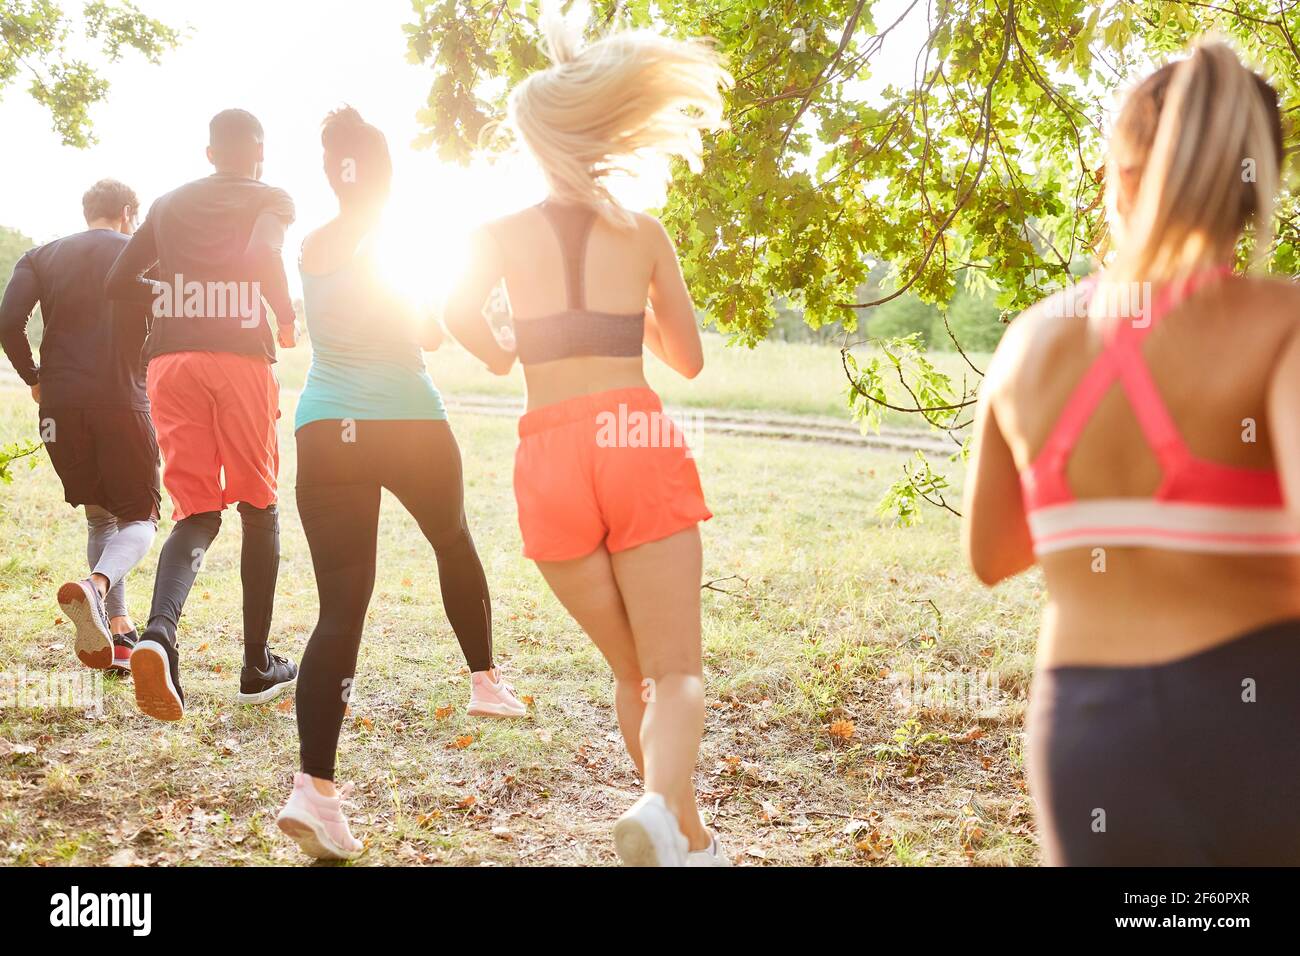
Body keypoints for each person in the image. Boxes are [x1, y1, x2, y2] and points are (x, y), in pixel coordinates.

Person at [963, 40, 1300, 865]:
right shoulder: (1283, 322)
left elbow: (992, 553)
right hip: (1257, 715)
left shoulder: (1030, 339)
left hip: (1088, 728)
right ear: (1259, 186)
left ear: (1118, 178)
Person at [443, 13, 731, 866]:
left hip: (550, 450)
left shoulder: (494, 235)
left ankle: (691, 842)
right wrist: (627, 313)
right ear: (602, 136)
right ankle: (659, 812)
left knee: (632, 671)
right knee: (674, 672)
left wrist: (503, 349)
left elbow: (454, 311)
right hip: (631, 432)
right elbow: (688, 356)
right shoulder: (643, 233)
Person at [274, 107, 525, 861]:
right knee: (452, 538)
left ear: (331, 173)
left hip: (325, 429)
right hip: (407, 422)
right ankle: (484, 679)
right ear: (385, 173)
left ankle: (314, 791)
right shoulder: (396, 236)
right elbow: (427, 331)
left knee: (340, 611)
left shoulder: (311, 242)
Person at [105, 109, 300, 721]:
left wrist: (177, 293)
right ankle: (256, 664)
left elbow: (119, 280)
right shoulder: (272, 196)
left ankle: (160, 636)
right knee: (259, 506)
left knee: (197, 511)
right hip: (238, 361)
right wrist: (285, 315)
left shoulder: (166, 204)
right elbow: (265, 251)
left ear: (211, 152)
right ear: (259, 152)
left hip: (171, 363)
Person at [0, 179, 159, 675]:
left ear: (87, 211)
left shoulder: (42, 256)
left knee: (100, 518)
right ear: (128, 212)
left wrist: (34, 379)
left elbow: (8, 321)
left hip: (60, 409)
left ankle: (119, 636)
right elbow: (166, 321)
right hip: (122, 400)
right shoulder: (143, 256)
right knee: (141, 518)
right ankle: (96, 587)